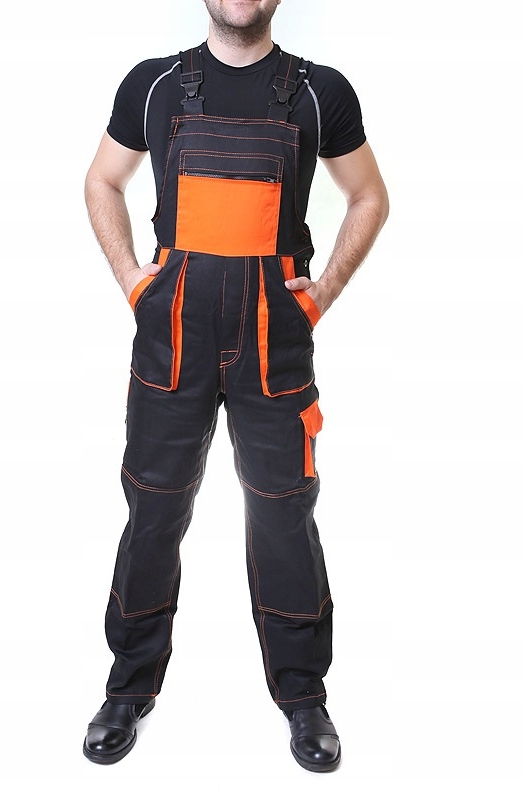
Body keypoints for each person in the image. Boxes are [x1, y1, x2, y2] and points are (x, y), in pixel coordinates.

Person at [82, 0, 389, 773]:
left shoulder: (319, 91)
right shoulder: (153, 86)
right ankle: (128, 686)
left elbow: (370, 196)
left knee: (283, 513)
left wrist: (323, 292)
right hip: (171, 339)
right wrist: (133, 282)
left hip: (273, 345)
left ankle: (304, 695)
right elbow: (102, 182)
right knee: (153, 508)